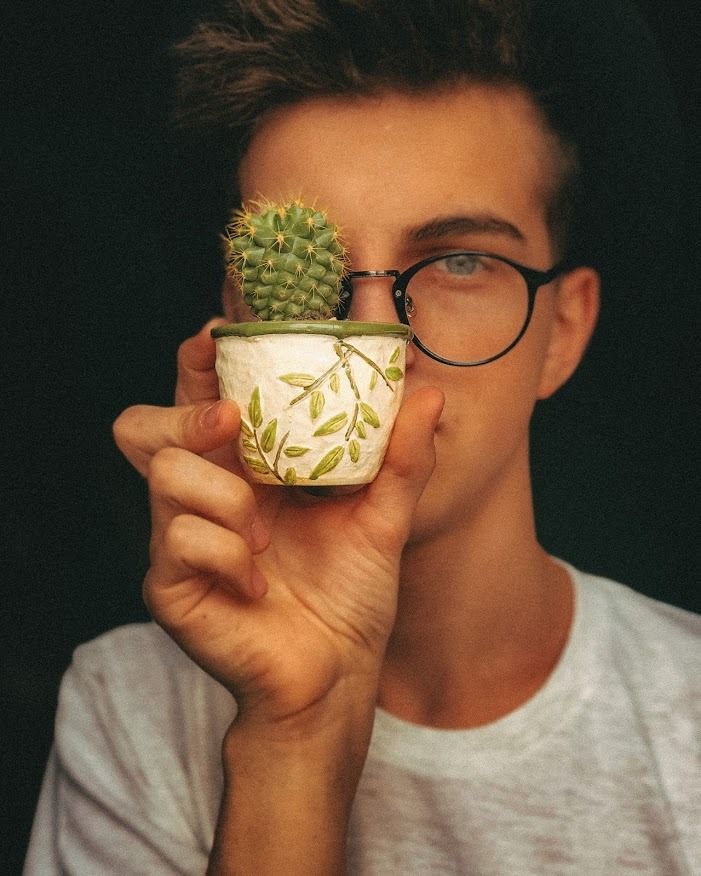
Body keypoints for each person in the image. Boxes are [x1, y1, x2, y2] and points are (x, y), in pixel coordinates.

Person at [25, 1, 699, 873]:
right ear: (236, 328)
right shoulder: (126, 707)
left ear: (561, 332)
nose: (379, 345)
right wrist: (294, 735)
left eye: (459, 261)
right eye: (309, 267)